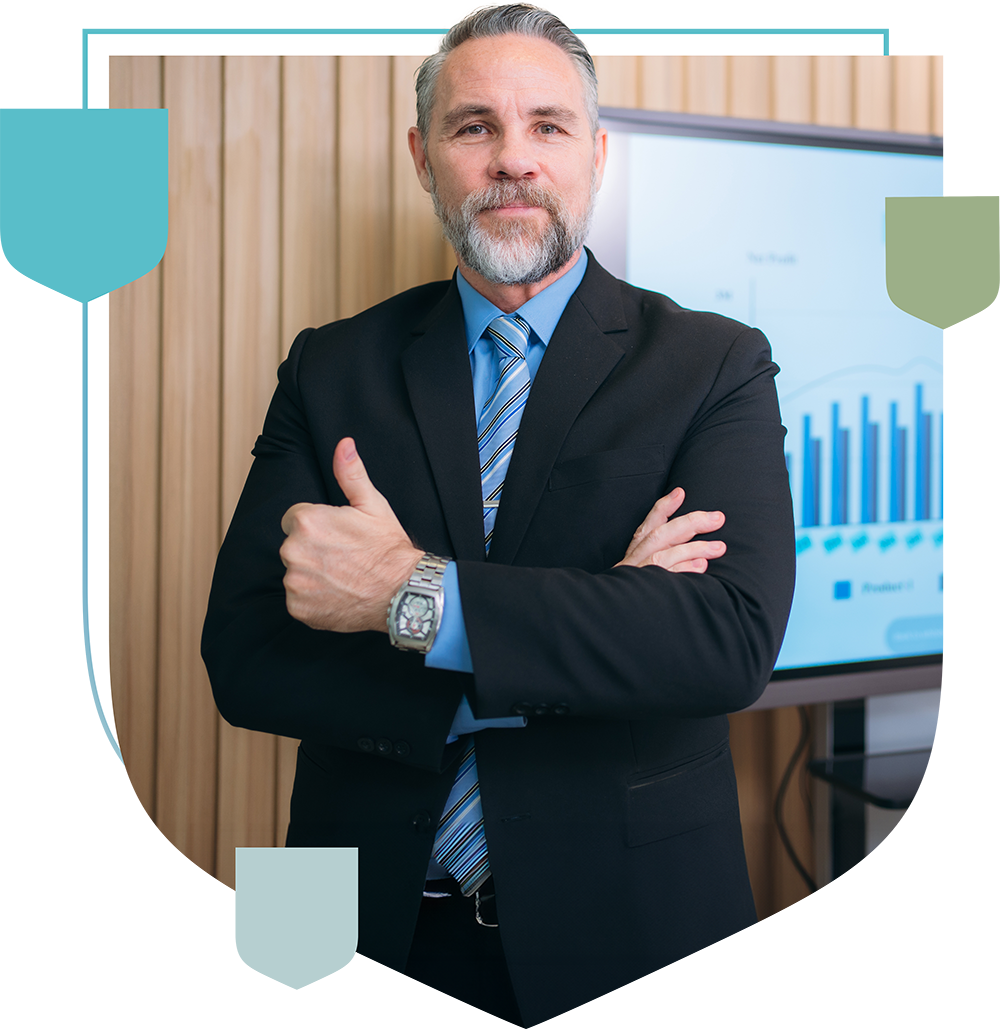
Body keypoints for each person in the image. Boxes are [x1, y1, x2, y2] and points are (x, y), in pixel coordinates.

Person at [202, 6, 795, 1028]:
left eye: (548, 127)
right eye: (474, 126)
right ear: (423, 157)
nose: (512, 159)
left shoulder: (712, 365)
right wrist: (601, 619)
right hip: (368, 943)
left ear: (596, 155)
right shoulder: (333, 366)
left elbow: (722, 644)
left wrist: (402, 595)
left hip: (632, 942)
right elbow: (246, 654)